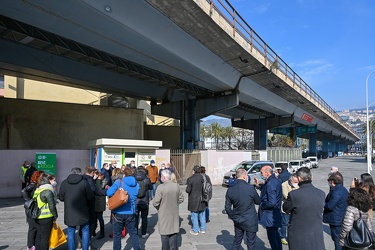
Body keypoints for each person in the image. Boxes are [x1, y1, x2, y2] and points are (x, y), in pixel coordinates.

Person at [283, 167, 325, 250]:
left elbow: (285, 208)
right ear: (311, 177)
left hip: (298, 235)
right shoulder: (321, 193)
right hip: (316, 234)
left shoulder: (294, 194)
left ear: (299, 178)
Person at [225, 168, 260, 250]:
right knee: (251, 243)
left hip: (238, 219)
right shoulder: (250, 188)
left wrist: (233, 216)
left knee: (237, 241)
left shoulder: (230, 189)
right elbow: (258, 201)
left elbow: (227, 207)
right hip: (250, 219)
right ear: (245, 176)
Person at [59, 167, 94, 250]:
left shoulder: (64, 183)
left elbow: (61, 197)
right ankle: (85, 248)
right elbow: (90, 196)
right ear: (80, 173)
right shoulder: (84, 183)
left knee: (71, 232)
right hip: (83, 211)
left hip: (70, 211)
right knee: (85, 230)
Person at [106, 167, 141, 250]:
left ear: (124, 174)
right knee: (133, 233)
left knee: (117, 235)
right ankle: (137, 248)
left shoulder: (119, 182)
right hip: (131, 211)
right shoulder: (137, 184)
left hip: (118, 212)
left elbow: (109, 192)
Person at [153, 169, 184, 250]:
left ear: (163, 177)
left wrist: (160, 208)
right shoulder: (176, 186)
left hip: (163, 214)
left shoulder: (161, 187)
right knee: (173, 235)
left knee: (164, 236)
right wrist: (174, 204)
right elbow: (181, 199)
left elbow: (155, 202)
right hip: (174, 214)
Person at [254, 165, 282, 250]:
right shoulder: (275, 181)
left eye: (261, 173)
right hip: (275, 213)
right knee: (276, 235)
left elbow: (271, 202)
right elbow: (267, 191)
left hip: (270, 214)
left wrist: (262, 205)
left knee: (272, 238)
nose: (261, 174)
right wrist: (258, 186)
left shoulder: (270, 183)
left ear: (267, 173)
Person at [323, 172, 348, 250]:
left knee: (337, 239)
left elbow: (330, 206)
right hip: (341, 217)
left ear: (332, 182)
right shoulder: (343, 189)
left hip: (336, 219)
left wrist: (323, 203)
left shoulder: (336, 192)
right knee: (341, 239)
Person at [33, 173, 58, 250]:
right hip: (46, 217)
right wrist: (55, 215)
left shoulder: (38, 189)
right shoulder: (47, 191)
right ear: (48, 180)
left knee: (39, 236)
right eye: (53, 180)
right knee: (45, 237)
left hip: (37, 216)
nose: (54, 181)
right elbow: (51, 205)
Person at [22, 170, 45, 250]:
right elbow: (23, 190)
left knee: (35, 227)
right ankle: (30, 245)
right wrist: (29, 200)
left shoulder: (37, 185)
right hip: (31, 208)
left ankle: (33, 244)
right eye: (42, 176)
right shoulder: (33, 185)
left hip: (33, 208)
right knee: (32, 227)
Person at [186, 165, 207, 235]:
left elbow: (188, 190)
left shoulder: (190, 179)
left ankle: (195, 230)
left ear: (194, 171)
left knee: (194, 214)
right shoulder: (203, 177)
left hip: (194, 199)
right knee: (202, 214)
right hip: (202, 198)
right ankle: (203, 229)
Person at [279, 173, 299, 245]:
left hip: (295, 207)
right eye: (295, 182)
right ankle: (283, 237)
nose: (296, 184)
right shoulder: (284, 185)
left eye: (297, 182)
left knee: (293, 223)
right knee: (285, 223)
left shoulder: (298, 185)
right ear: (291, 180)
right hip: (286, 207)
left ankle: (292, 236)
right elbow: (286, 195)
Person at [135, 165, 153, 238]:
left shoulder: (134, 178)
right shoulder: (146, 179)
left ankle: (135, 233)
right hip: (144, 201)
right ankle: (143, 233)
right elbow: (151, 187)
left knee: (135, 217)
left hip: (136, 201)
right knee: (144, 217)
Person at [94, 171, 107, 239]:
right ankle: (94, 231)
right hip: (96, 202)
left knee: (100, 218)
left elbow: (98, 189)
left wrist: (98, 180)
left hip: (99, 203)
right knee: (95, 218)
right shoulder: (96, 181)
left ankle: (102, 233)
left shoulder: (103, 182)